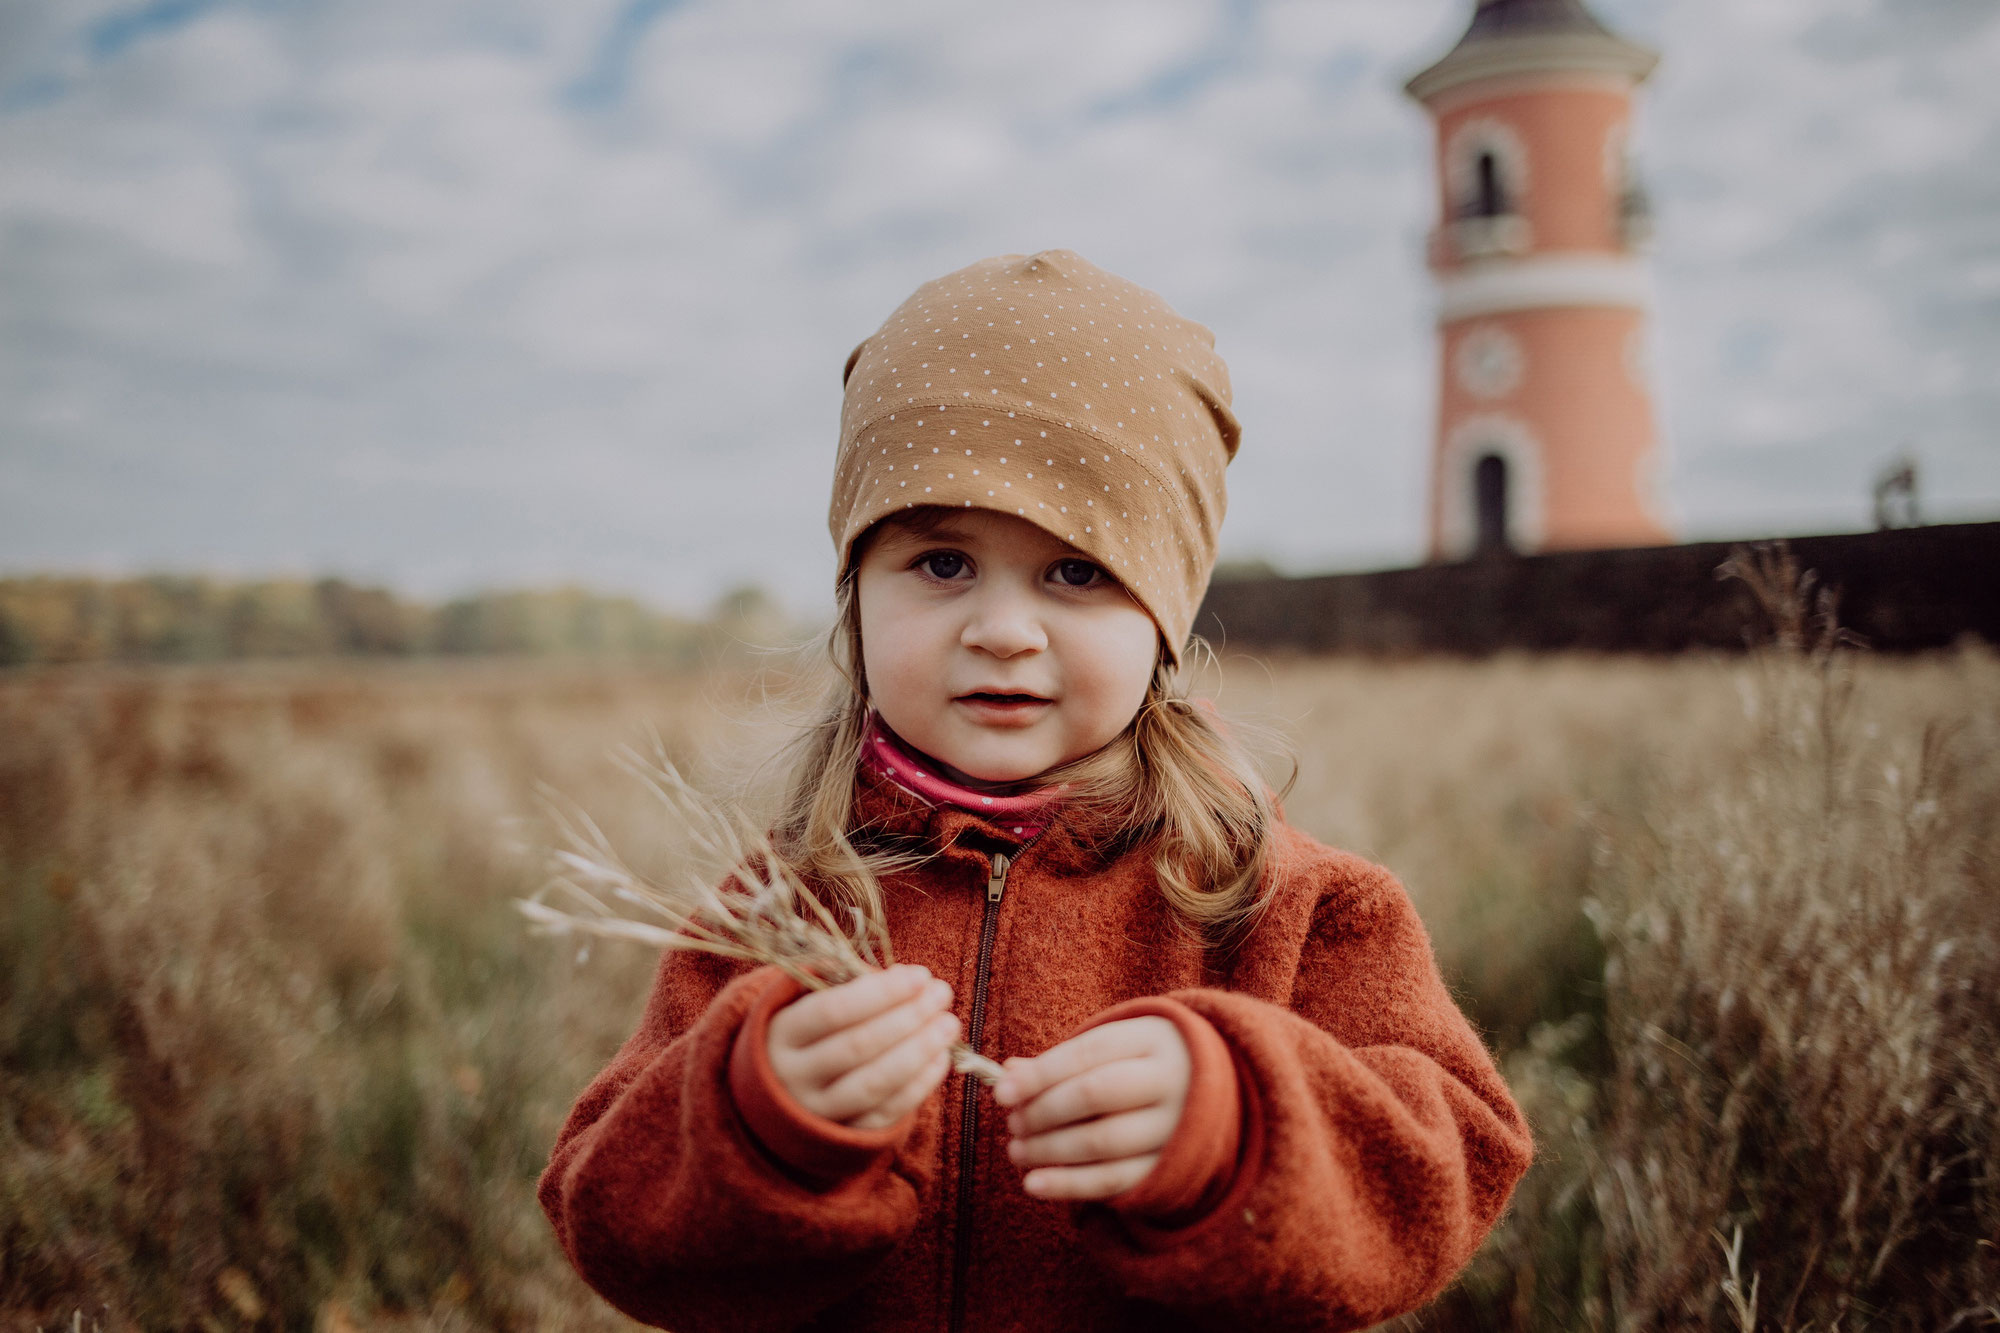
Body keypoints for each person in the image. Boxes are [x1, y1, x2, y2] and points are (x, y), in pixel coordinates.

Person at [539, 249, 1532, 1332]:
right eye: (941, 563)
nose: (1002, 629)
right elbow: (604, 1213)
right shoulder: (781, 912)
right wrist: (759, 1122)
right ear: (855, 596)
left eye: (1076, 569)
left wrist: (1234, 1127)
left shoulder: (1289, 905)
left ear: (1161, 619)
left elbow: (1453, 1161)